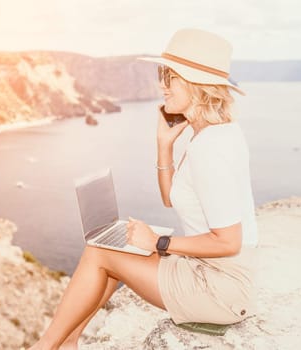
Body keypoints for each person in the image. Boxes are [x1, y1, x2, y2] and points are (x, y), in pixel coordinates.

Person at [28, 28, 258, 350]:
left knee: (100, 252)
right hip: (208, 271)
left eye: (170, 76)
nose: (161, 85)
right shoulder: (209, 134)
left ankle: (46, 347)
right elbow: (169, 198)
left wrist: (158, 242)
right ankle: (67, 342)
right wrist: (164, 145)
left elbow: (229, 241)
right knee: (114, 251)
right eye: (162, 74)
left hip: (219, 288)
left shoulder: (212, 147)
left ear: (197, 84)